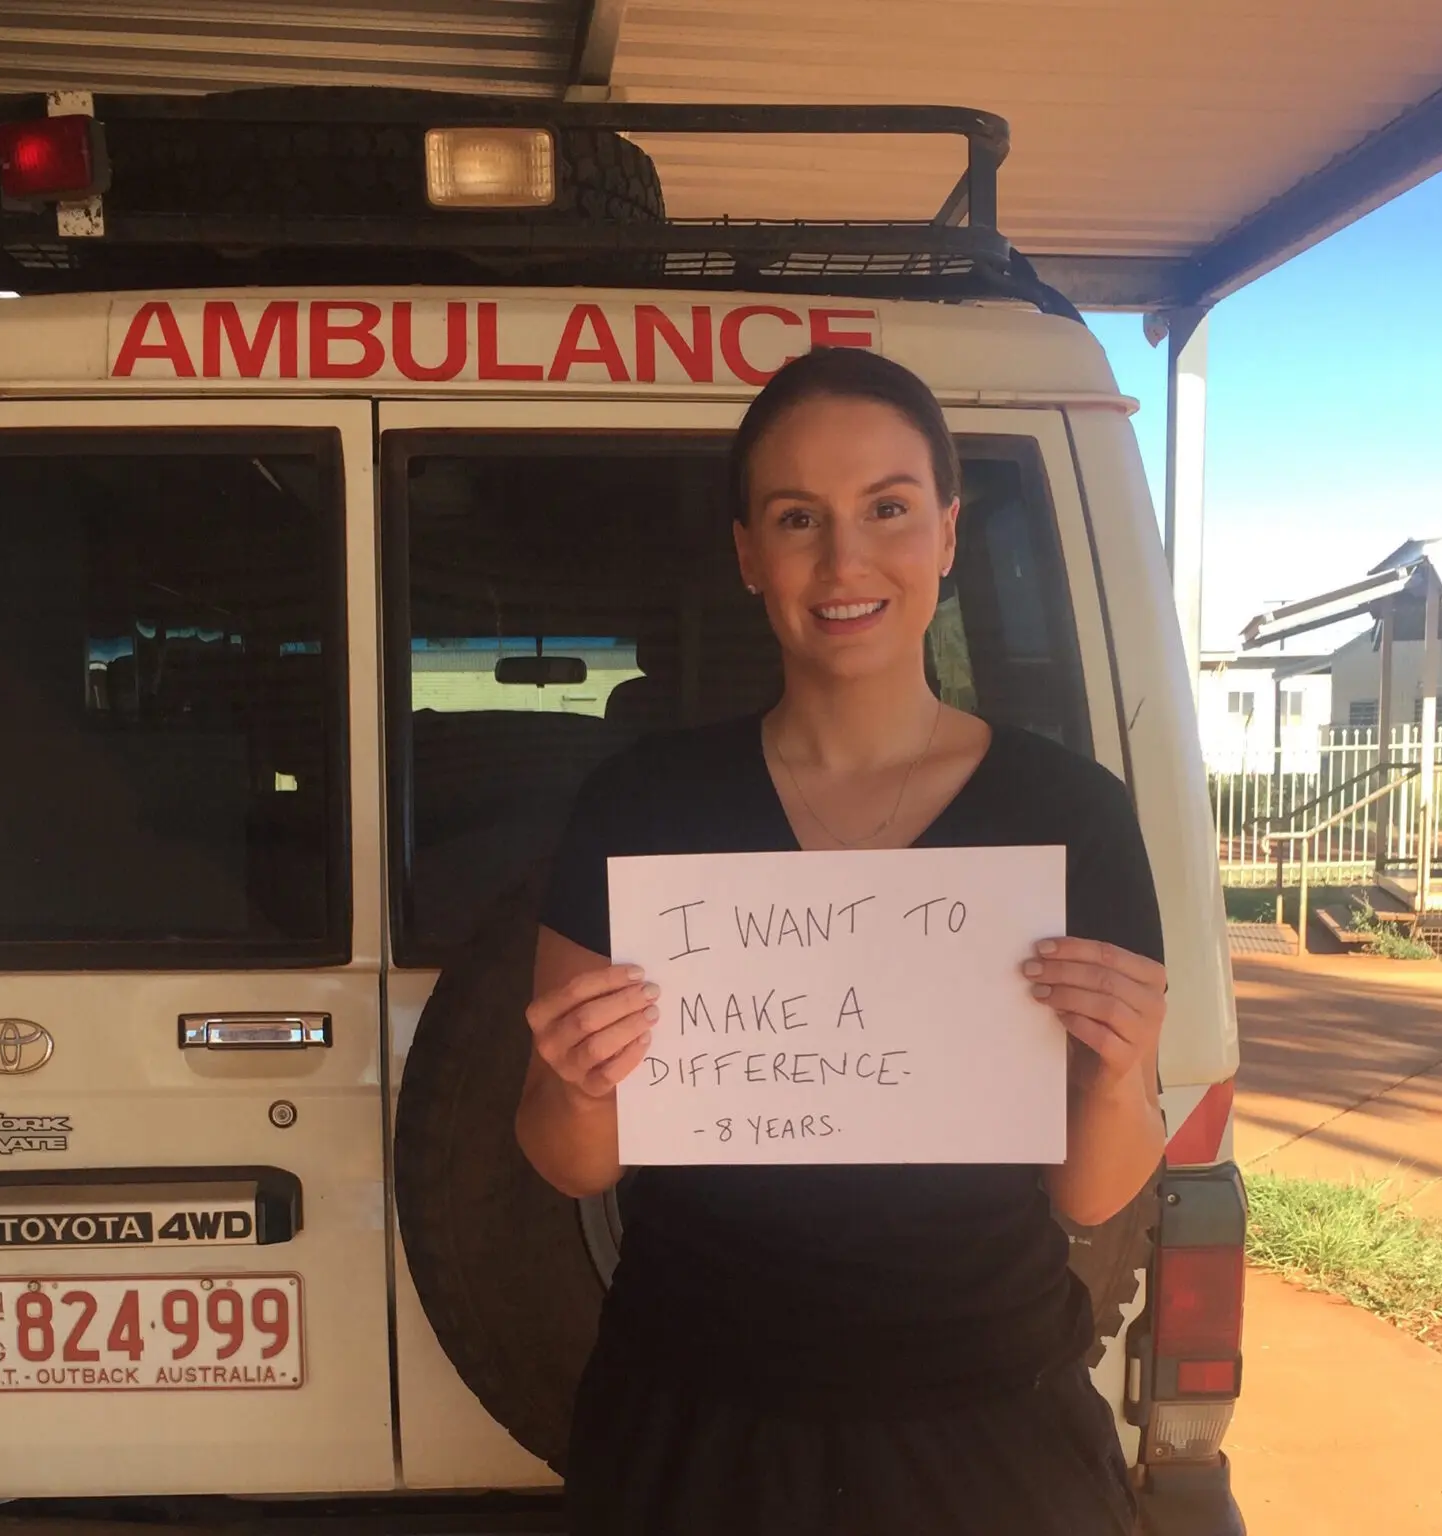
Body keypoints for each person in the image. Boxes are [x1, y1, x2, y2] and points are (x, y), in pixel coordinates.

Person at [516, 346, 1170, 1536]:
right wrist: (571, 1081)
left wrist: (1121, 1075)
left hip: (990, 1427)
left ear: (949, 534)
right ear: (748, 555)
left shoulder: (1069, 814)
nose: (845, 561)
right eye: (797, 518)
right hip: (698, 1425)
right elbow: (574, 1161)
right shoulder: (643, 809)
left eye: (888, 509)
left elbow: (1092, 1189)